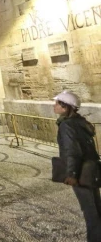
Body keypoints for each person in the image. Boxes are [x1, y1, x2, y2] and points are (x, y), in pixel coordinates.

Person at [54, 90, 101, 242]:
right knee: (96, 207)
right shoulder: (80, 122)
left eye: (57, 103)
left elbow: (72, 152)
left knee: (90, 211)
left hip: (81, 172)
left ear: (65, 107)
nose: (54, 106)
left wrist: (72, 175)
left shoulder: (66, 126)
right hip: (91, 169)